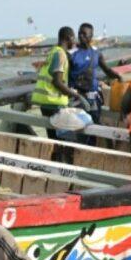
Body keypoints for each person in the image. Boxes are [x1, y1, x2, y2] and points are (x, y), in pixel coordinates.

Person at [31, 26, 86, 163]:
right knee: (62, 142)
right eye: (73, 38)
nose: (74, 41)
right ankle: (61, 167)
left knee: (54, 141)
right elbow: (57, 82)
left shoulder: (53, 51)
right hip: (54, 104)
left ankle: (55, 166)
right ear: (68, 38)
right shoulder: (61, 54)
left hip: (46, 103)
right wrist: (76, 95)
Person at [69, 23, 122, 132]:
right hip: (77, 98)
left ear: (91, 36)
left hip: (93, 98)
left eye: (84, 34)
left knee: (95, 127)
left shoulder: (96, 52)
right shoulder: (71, 54)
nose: (81, 36)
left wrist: (119, 77)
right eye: (79, 33)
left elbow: (107, 70)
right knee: (79, 129)